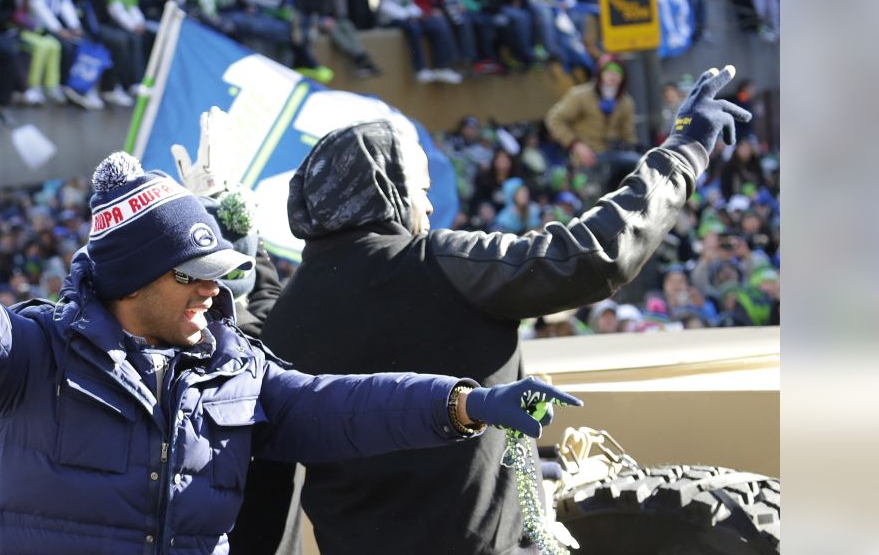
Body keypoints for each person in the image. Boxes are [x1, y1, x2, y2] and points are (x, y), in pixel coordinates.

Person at [0, 48, 580, 554]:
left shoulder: (234, 370)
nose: (212, 289)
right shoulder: (37, 357)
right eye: (191, 274)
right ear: (133, 281)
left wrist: (463, 403)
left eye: (216, 271)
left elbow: (344, 405)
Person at [259, 67, 751, 555]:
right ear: (388, 188)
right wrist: (683, 151)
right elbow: (593, 254)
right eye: (422, 192)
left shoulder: (280, 324)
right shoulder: (441, 262)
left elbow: (270, 498)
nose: (428, 209)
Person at [545, 54, 639, 171]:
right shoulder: (580, 95)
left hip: (614, 157)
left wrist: (632, 147)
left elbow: (628, 134)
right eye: (608, 72)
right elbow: (554, 118)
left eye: (617, 73)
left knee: (637, 163)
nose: (613, 76)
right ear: (600, 74)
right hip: (587, 159)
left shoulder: (625, 102)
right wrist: (576, 144)